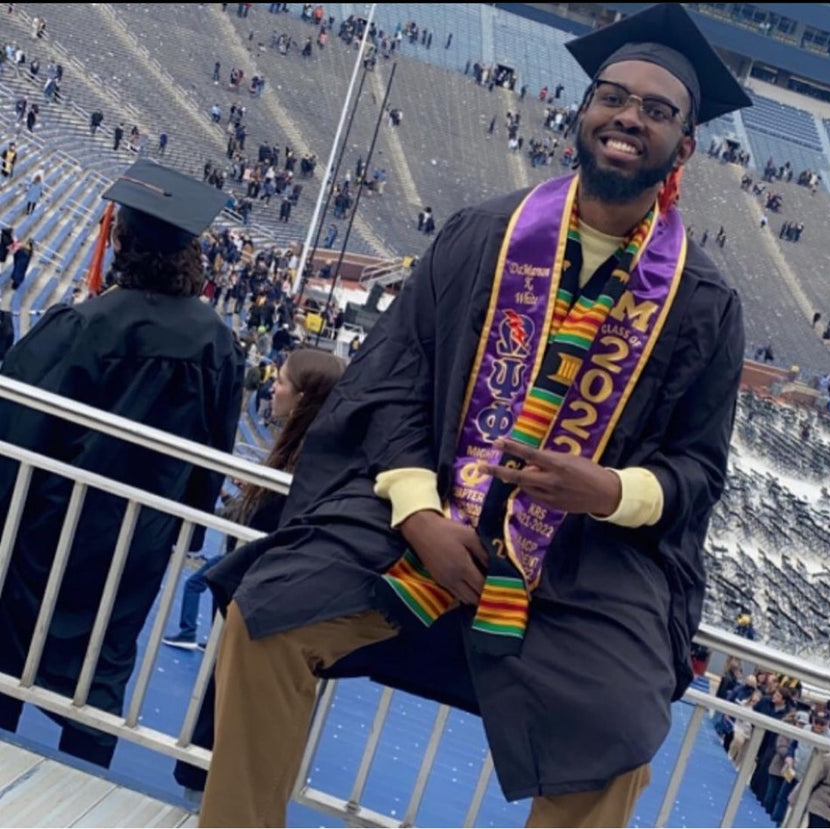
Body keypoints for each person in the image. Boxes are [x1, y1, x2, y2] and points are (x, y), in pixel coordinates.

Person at [199, 5, 748, 826]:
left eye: (658, 110)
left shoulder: (704, 304)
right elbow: (390, 380)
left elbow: (698, 471)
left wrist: (608, 489)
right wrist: (419, 510)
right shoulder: (481, 236)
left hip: (582, 561)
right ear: (583, 115)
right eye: (612, 97)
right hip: (421, 516)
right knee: (268, 614)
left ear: (685, 144)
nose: (629, 116)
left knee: (618, 739)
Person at [0, 160, 245, 768]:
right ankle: (88, 776)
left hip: (49, 524)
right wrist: (182, 521)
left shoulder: (85, 324)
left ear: (121, 242)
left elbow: (19, 420)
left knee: (10, 647)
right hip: (139, 534)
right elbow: (212, 454)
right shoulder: (217, 344)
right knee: (105, 656)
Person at [170, 348, 346, 796]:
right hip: (254, 616)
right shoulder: (311, 461)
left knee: (233, 742)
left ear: (304, 396)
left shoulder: (308, 472)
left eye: (282, 381)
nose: (273, 386)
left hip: (260, 620)